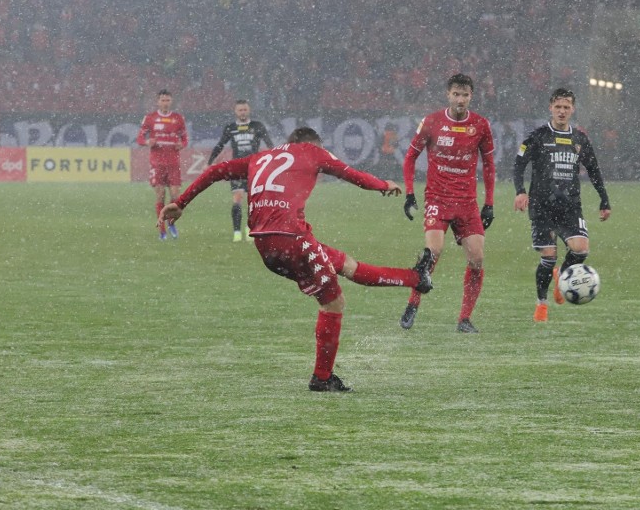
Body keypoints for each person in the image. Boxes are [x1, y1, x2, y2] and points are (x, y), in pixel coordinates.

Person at [160, 127, 435, 392]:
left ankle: (415, 277)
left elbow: (215, 170)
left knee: (345, 265)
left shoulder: (260, 157)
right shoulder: (312, 152)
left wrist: (182, 202)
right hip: (292, 238)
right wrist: (382, 184)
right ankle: (322, 378)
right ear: (314, 144)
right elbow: (351, 174)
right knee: (333, 301)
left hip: (265, 244)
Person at [400, 73, 496, 334]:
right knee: (433, 253)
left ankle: (464, 319)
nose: (460, 99)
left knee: (477, 259)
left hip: (467, 203)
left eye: (465, 95)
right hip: (438, 199)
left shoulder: (481, 125)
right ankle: (413, 302)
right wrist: (410, 193)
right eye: (456, 94)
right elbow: (410, 158)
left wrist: (489, 203)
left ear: (471, 96)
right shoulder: (432, 122)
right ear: (448, 94)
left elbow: (488, 166)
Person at [513, 88, 611, 322]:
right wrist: (520, 192)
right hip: (542, 206)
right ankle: (541, 304)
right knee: (548, 256)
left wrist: (604, 199)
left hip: (570, 207)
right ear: (551, 108)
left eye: (566, 107)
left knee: (581, 249)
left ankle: (562, 279)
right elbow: (519, 164)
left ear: (572, 110)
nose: (562, 111)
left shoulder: (579, 139)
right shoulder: (537, 136)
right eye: (558, 107)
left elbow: (595, 171)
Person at [207, 99, 274, 242]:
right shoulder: (230, 128)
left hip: (254, 168)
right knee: (237, 199)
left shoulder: (257, 126)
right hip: (236, 168)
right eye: (240, 110)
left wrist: (274, 159)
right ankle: (237, 232)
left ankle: (250, 229)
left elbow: (269, 144)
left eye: (244, 110)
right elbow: (220, 145)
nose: (242, 113)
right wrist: (210, 162)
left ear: (248, 110)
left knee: (253, 201)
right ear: (235, 112)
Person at [137, 89, 189, 241]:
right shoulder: (150, 118)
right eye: (162, 100)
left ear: (171, 101)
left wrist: (182, 144)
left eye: (167, 100)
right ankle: (162, 231)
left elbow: (185, 138)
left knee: (175, 197)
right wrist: (147, 142)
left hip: (173, 163)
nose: (165, 103)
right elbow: (140, 138)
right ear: (158, 101)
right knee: (160, 196)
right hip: (157, 163)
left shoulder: (178, 118)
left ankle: (171, 223)